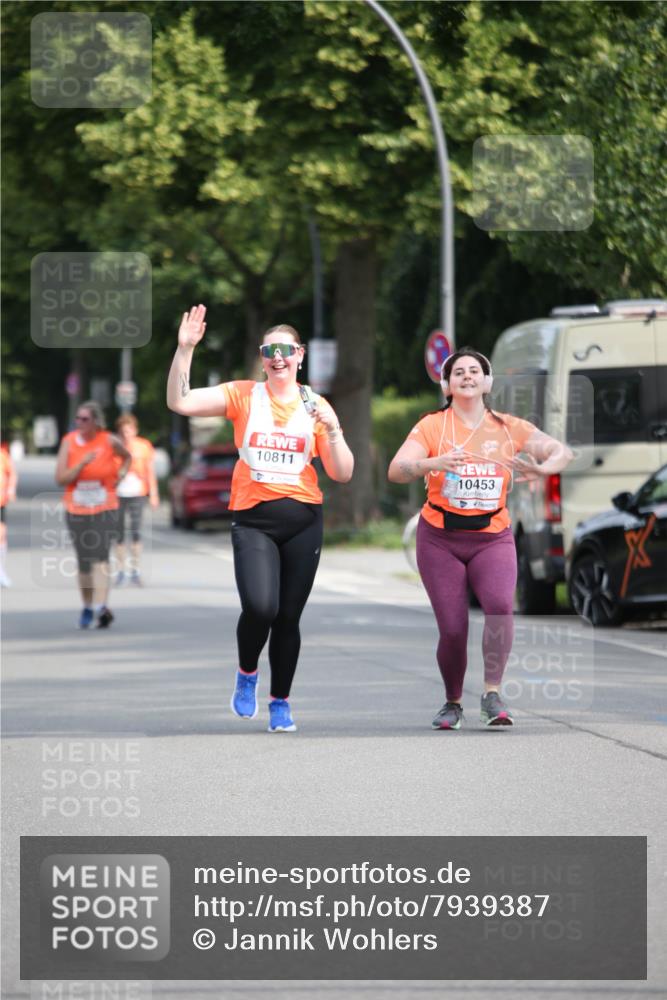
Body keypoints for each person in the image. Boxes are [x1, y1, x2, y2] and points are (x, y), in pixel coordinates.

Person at [167, 304, 354, 732]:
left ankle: (280, 702)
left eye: (286, 350)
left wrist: (333, 428)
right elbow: (179, 401)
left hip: (303, 521)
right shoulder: (243, 396)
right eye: (270, 351)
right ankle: (247, 672)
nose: (278, 357)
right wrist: (185, 349)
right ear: (262, 357)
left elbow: (343, 473)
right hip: (253, 521)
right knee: (260, 607)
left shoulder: (316, 405)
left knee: (288, 618)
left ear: (300, 355)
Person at [388, 347, 573, 730]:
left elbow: (562, 451)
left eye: (475, 371)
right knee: (453, 628)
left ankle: (492, 694)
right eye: (459, 372)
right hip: (440, 539)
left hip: (492, 537)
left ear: (487, 382)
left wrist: (544, 469)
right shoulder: (432, 426)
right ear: (447, 385)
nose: (467, 376)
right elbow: (397, 469)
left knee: (500, 607)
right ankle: (453, 702)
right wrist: (431, 463)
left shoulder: (508, 427)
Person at [55, 400, 131, 629]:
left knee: (101, 556)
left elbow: (127, 457)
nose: (80, 422)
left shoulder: (109, 440)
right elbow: (60, 479)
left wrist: (121, 475)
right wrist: (81, 464)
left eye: (85, 419)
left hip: (105, 507)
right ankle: (88, 605)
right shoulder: (69, 442)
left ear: (96, 422)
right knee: (84, 561)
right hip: (76, 508)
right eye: (77, 418)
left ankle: (101, 606)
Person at [114, 414, 159, 586]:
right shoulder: (114, 447)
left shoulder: (144, 446)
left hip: (138, 493)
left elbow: (150, 471)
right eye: (123, 431)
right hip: (118, 493)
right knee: (118, 534)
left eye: (129, 431)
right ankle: (120, 571)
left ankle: (135, 570)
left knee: (136, 531)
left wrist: (154, 494)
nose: (126, 434)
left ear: (135, 430)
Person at [0, 443, 18, 587]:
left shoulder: (3, 454)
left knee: (1, 534)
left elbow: (12, 473)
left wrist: (11, 490)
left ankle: (1, 571)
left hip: (0, 502)